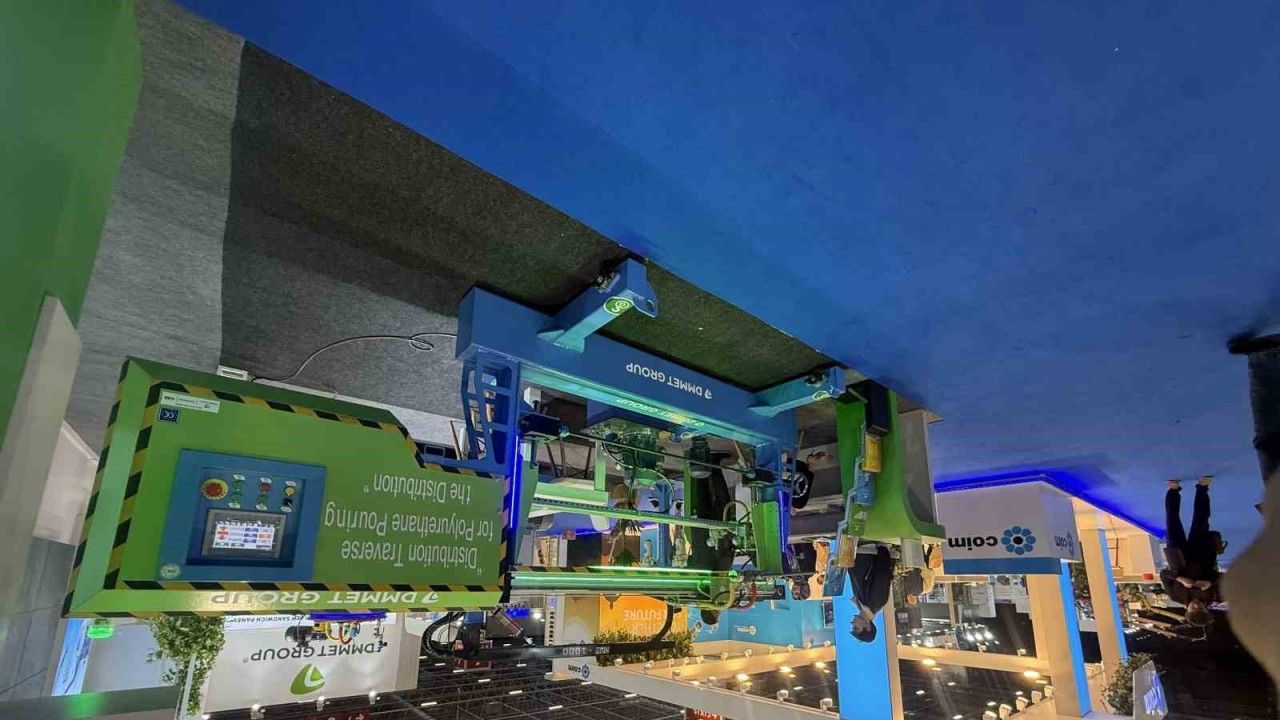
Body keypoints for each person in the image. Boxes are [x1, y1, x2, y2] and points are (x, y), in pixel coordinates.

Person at [1160, 476, 1223, 628]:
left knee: (1172, 522)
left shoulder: (1175, 596)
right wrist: (1210, 582)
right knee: (1201, 519)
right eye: (1200, 608)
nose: (1196, 605)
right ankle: (1202, 488)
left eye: (1193, 608)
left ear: (1186, 611)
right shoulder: (1216, 596)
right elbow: (1224, 578)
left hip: (1177, 555)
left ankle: (1173, 491)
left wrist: (1179, 578)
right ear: (1207, 609)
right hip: (1202, 554)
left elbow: (1164, 574)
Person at [850, 544, 895, 642]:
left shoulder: (862, 604)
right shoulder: (877, 602)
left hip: (857, 549)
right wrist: (882, 549)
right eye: (856, 627)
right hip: (867, 548)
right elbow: (882, 572)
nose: (852, 624)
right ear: (867, 627)